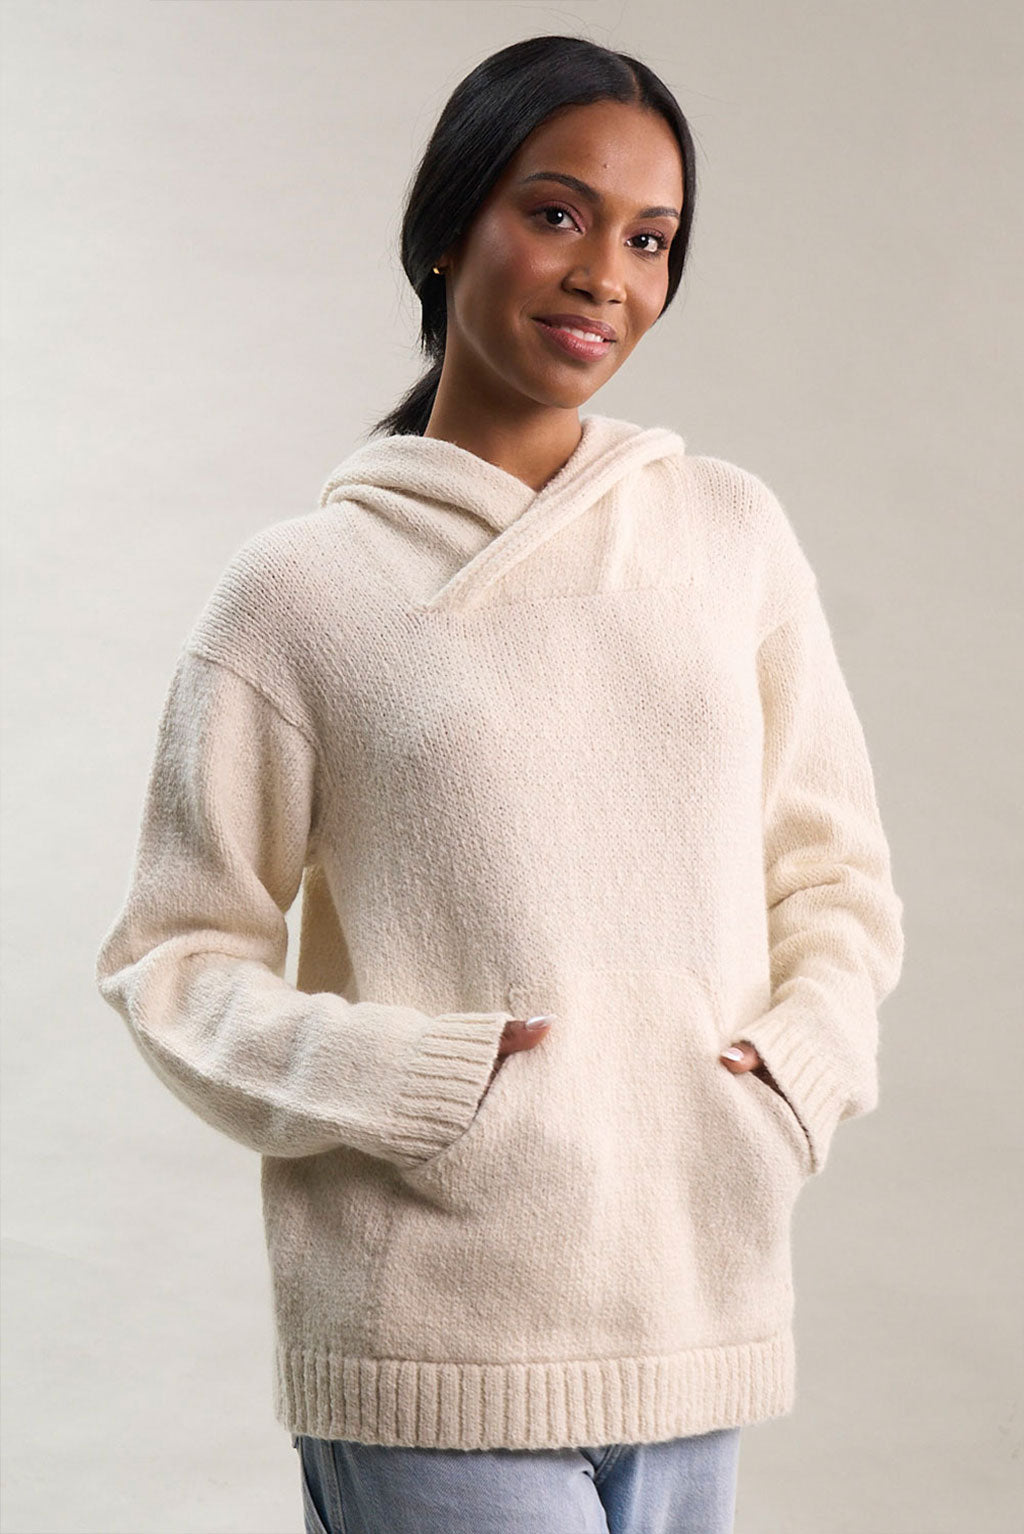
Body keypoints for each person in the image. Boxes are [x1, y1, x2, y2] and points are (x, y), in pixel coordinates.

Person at [93, 32, 905, 1534]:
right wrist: (409, 1081)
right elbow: (172, 959)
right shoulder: (298, 592)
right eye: (556, 213)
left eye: (650, 239)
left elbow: (836, 878)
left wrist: (795, 1076)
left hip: (696, 1303)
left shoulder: (731, 537)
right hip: (428, 1330)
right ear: (446, 227)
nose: (605, 274)